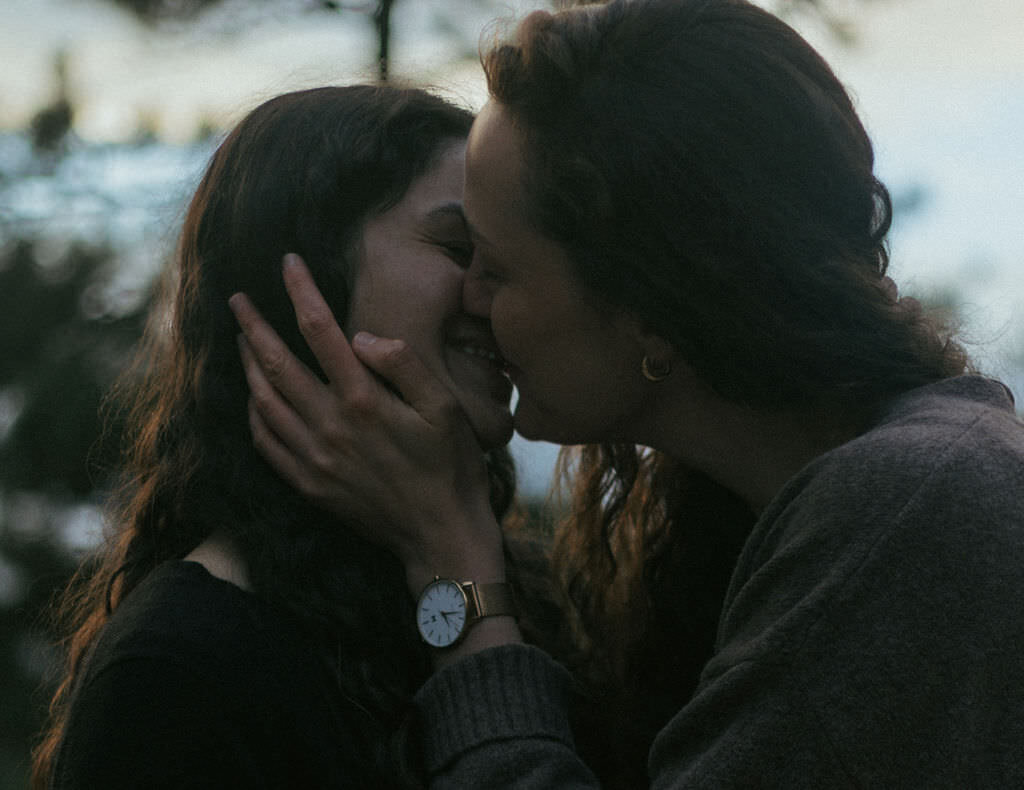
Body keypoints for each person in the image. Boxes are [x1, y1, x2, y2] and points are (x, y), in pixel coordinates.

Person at [231, 0, 1024, 787]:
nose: (470, 296)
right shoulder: (836, 498)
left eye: (497, 267)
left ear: (649, 310)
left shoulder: (909, 512)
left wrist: (452, 564)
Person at [31, 84, 522, 789]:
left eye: (506, 259)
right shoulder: (180, 670)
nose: (493, 293)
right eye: (457, 247)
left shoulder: (497, 575)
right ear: (306, 284)